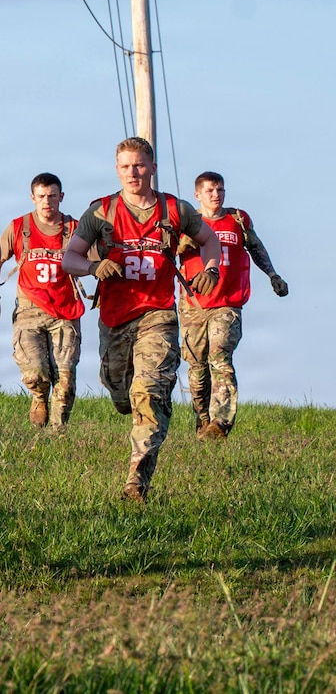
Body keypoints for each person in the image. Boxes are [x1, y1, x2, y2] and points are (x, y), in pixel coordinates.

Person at [62, 137, 220, 503]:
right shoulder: (101, 212)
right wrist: (93, 266)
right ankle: (123, 396)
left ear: (152, 167)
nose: (132, 172)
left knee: (148, 394)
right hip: (115, 317)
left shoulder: (175, 209)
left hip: (158, 314)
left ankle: (137, 479)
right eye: (125, 166)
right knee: (119, 389)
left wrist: (210, 268)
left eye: (139, 165)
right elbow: (70, 258)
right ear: (117, 170)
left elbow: (209, 241)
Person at [177, 171, 289, 439]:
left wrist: (273, 275)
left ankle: (221, 421)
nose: (216, 195)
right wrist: (183, 242)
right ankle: (203, 422)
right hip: (194, 305)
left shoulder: (237, 219)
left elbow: (256, 247)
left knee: (220, 355)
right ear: (198, 195)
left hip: (228, 303)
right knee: (196, 367)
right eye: (210, 191)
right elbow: (168, 254)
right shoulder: (187, 223)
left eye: (220, 190)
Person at [0, 173, 86, 433]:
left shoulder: (75, 229)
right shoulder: (20, 227)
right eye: (41, 196)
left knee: (64, 374)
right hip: (29, 309)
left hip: (65, 311)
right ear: (32, 198)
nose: (47, 202)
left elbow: (96, 259)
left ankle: (57, 431)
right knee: (35, 371)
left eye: (52, 196)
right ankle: (39, 397)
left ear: (61, 197)